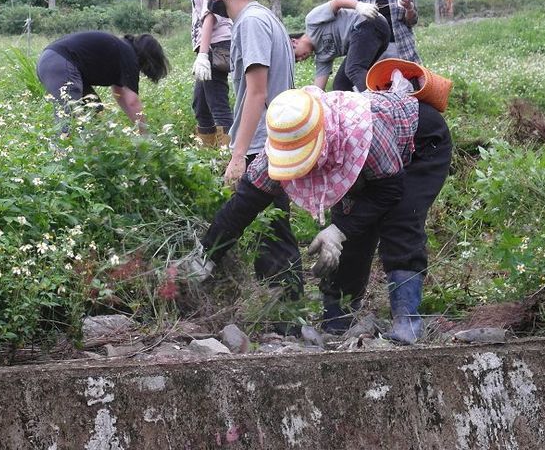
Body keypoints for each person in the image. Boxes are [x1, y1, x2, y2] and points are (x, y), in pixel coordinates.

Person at [187, 73, 452, 345]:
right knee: (349, 234)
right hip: (372, 168)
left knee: (399, 222)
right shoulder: (280, 146)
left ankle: (407, 322)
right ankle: (337, 324)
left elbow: (389, 188)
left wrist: (338, 230)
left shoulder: (359, 131)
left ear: (320, 144)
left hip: (420, 144)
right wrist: (208, 253)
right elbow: (245, 201)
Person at [182, 0, 303, 295]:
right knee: (273, 226)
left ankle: (195, 271)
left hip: (264, 143)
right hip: (275, 140)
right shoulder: (264, 18)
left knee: (242, 215)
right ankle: (285, 310)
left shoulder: (250, 23)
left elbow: (255, 92)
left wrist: (237, 154)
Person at [35, 31, 169, 134]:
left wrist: (136, 127)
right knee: (71, 118)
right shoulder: (129, 54)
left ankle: (95, 153)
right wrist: (145, 135)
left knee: (93, 109)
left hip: (51, 60)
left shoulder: (121, 49)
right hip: (59, 63)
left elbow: (119, 94)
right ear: (148, 58)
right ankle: (63, 161)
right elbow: (132, 101)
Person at [187, 0, 234, 148]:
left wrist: (204, 55)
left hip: (216, 45)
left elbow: (210, 16)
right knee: (201, 104)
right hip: (211, 45)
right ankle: (208, 151)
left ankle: (229, 158)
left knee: (217, 103)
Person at [290, 0, 390, 92]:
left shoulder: (312, 22)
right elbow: (317, 91)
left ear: (294, 41)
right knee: (340, 84)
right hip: (375, 39)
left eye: (296, 56)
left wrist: (359, 6)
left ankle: (377, 103)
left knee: (353, 69)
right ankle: (358, 106)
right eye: (298, 61)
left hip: (369, 21)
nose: (300, 59)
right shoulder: (322, 58)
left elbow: (338, 1)